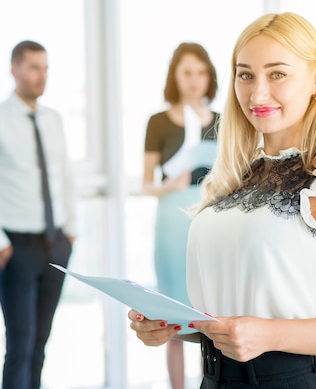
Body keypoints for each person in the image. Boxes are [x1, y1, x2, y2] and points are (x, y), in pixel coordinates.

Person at [128, 12, 316, 388]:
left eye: (277, 74)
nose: (257, 94)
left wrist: (270, 335)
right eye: (246, 74)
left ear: (315, 78)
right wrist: (173, 327)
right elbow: (235, 322)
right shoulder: (230, 181)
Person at [0, 40, 76, 389]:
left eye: (45, 68)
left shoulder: (54, 119)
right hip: (16, 247)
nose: (40, 76)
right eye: (33, 67)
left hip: (55, 244)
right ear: (14, 69)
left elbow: (65, 177)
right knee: (19, 346)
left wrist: (70, 232)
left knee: (41, 344)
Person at [142, 42, 219, 389]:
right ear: (175, 75)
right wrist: (170, 184)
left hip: (212, 217)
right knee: (172, 310)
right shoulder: (158, 122)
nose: (194, 80)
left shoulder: (223, 121)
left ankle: (212, 381)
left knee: (210, 306)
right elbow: (146, 184)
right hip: (173, 219)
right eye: (187, 72)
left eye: (201, 72)